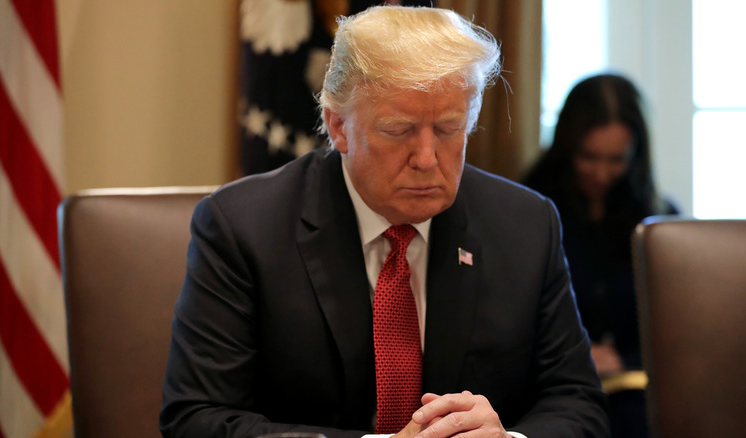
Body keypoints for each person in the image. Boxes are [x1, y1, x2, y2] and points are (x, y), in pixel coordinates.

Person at [160, 6, 608, 438]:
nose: (427, 159)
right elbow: (198, 418)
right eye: (399, 131)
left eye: (451, 129)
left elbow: (578, 404)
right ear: (338, 127)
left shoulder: (525, 224)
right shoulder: (244, 227)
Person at [523, 74, 678, 438]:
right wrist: (580, 356)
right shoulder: (529, 210)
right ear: (567, 148)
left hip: (640, 391)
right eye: (589, 157)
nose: (601, 173)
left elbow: (678, 326)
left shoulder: (661, 219)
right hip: (552, 389)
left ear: (635, 155)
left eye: (616, 160)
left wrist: (627, 360)